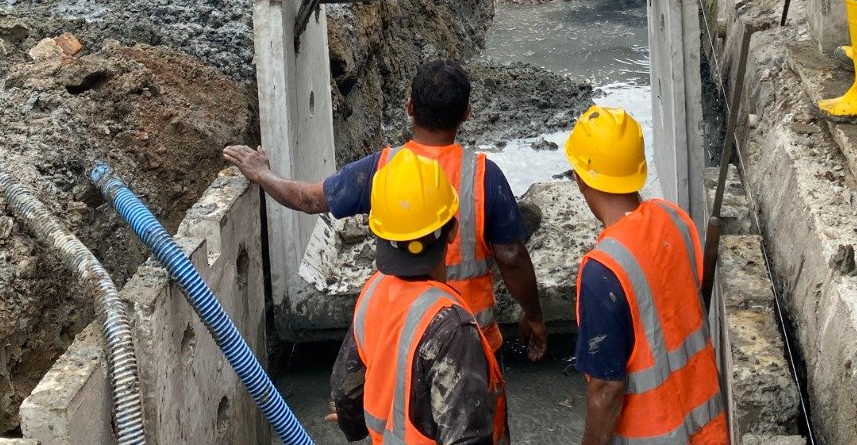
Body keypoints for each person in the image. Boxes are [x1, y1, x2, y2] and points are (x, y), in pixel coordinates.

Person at [223, 58, 548, 360]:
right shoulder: (483, 176)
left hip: (404, 337)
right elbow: (511, 257)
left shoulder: (381, 169)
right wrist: (533, 316)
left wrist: (262, 173)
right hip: (472, 342)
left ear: (409, 108)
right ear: (466, 113)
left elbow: (307, 200)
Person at [564, 106, 727, 445]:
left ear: (581, 178)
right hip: (708, 428)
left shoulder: (602, 273)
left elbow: (606, 388)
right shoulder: (675, 219)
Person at [330, 148, 507, 445]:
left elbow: (344, 389)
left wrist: (354, 427)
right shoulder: (451, 328)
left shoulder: (373, 292)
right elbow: (468, 436)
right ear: (452, 230)